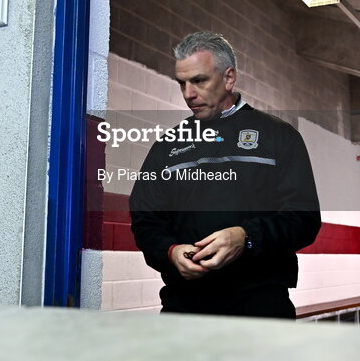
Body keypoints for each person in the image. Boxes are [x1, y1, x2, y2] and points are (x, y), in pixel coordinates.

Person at [129, 31, 321, 318]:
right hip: (184, 309)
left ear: (229, 78)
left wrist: (246, 237)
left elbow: (303, 219)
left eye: (199, 80)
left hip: (261, 310)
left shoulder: (279, 137)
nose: (188, 94)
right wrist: (170, 251)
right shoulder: (167, 147)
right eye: (182, 83)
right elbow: (146, 221)